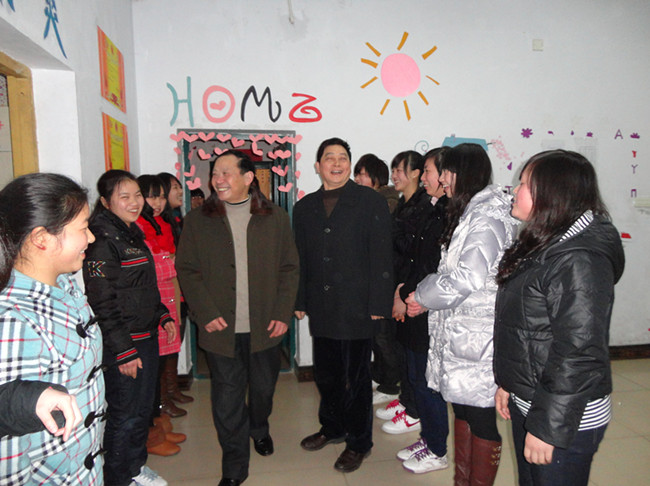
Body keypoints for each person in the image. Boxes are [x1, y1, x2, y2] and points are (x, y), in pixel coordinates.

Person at [493, 150, 625, 486]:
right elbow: (529, 327)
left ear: (552, 194)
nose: (514, 190)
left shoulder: (579, 260)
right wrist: (511, 383)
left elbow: (578, 351)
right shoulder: (546, 241)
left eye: (524, 184)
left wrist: (547, 428)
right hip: (535, 399)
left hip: (565, 419)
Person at [176, 150, 299, 486]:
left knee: (262, 391)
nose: (217, 179)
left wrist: (282, 313)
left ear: (248, 178)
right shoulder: (198, 220)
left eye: (226, 173)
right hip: (220, 328)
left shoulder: (274, 217)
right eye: (215, 173)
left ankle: (259, 428)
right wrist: (206, 312)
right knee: (227, 399)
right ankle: (234, 466)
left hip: (266, 325)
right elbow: (187, 269)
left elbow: (289, 268)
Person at [405, 143, 518, 486]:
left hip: (479, 336)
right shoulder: (471, 212)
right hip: (463, 332)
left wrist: (422, 295)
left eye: (446, 172)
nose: (442, 180)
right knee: (464, 409)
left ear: (463, 173)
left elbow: (467, 277)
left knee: (480, 417)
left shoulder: (486, 217)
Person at [294, 137, 393, 473]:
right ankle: (332, 427)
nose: (336, 163)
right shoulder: (305, 207)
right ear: (318, 165)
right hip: (322, 306)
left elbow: (382, 254)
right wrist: (299, 300)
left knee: (356, 378)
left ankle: (359, 441)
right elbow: (300, 258)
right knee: (326, 375)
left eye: (342, 158)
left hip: (357, 306)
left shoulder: (369, 201)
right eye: (329, 157)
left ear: (349, 165)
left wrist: (379, 301)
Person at [0, 173, 105, 484]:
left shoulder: (64, 285)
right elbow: (8, 455)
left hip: (82, 468)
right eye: (83, 228)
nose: (91, 238)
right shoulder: (15, 321)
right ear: (42, 238)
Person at [84, 169, 176, 486]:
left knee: (141, 409)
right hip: (125, 343)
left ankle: (135, 468)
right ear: (106, 202)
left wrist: (162, 314)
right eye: (125, 196)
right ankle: (117, 478)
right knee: (124, 414)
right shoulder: (101, 241)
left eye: (137, 195)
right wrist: (123, 351)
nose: (135, 202)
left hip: (145, 336)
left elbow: (142, 286)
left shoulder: (130, 232)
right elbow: (102, 301)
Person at [392, 147, 450, 473]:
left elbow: (435, 268)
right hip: (415, 301)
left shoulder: (450, 214)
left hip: (428, 308)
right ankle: (429, 438)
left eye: (428, 171)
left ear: (446, 175)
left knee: (428, 382)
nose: (425, 178)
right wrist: (401, 292)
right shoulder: (431, 208)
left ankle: (437, 448)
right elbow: (413, 259)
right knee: (416, 375)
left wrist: (410, 296)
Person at [137, 175, 188, 456]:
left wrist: (172, 261)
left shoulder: (164, 222)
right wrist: (173, 261)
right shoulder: (138, 226)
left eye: (160, 196)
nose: (157, 202)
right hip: (152, 303)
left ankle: (158, 421)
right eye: (151, 196)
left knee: (163, 357)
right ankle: (153, 429)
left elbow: (171, 261)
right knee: (152, 367)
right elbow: (160, 266)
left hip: (167, 297)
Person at [377, 150, 427, 434]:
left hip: (410, 292)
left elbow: (414, 258)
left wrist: (401, 294)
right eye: (394, 170)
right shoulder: (403, 204)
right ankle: (406, 400)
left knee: (411, 352)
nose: (394, 175)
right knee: (401, 348)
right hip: (398, 286)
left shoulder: (423, 206)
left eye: (399, 170)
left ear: (416, 173)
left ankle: (414, 410)